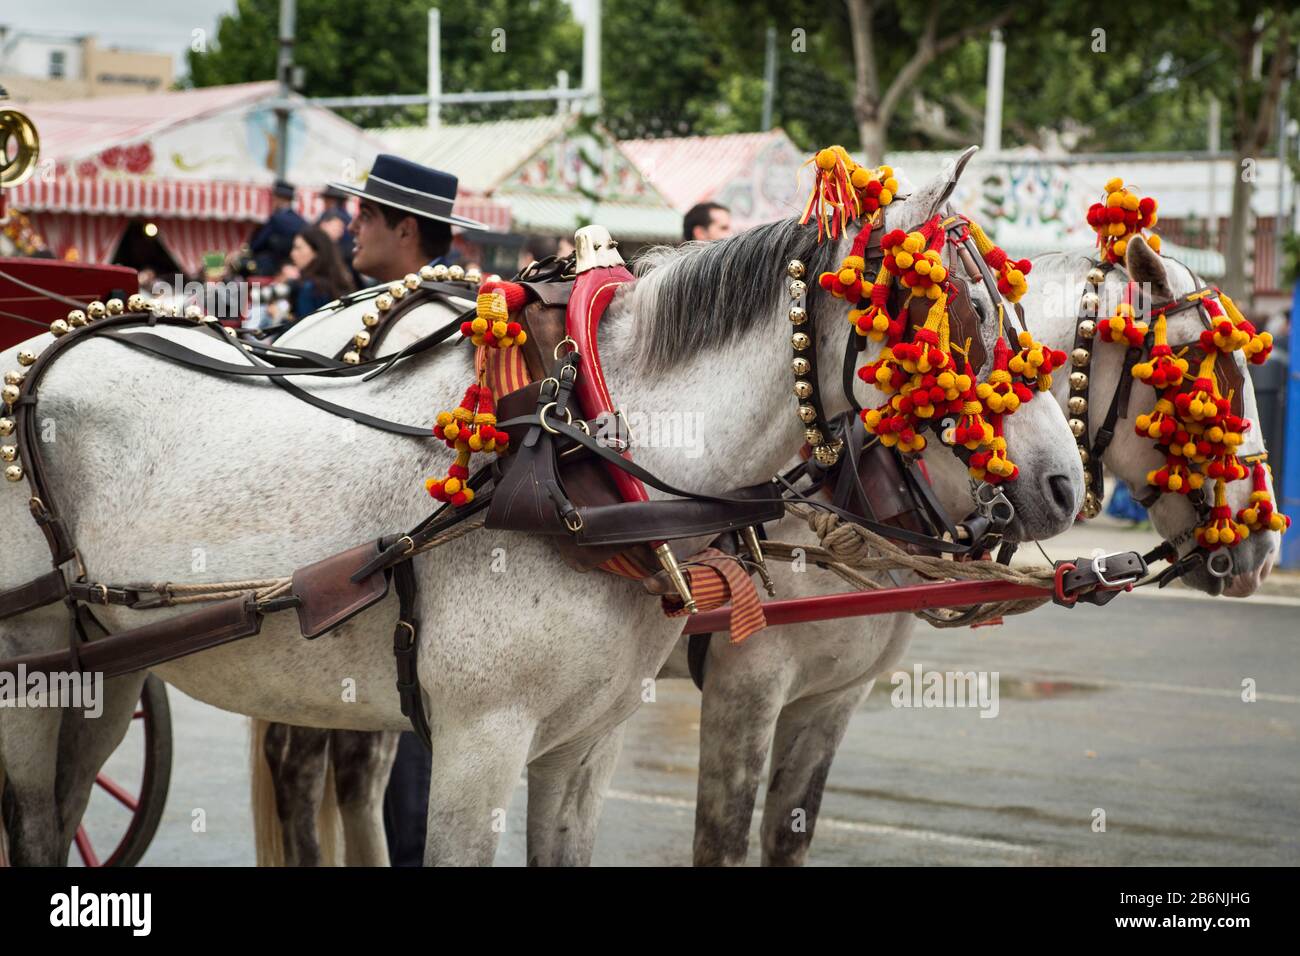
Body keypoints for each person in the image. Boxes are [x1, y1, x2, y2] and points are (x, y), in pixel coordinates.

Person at [323, 153, 485, 866]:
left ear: (406, 228)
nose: (350, 227)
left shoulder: (420, 328)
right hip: (408, 583)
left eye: (365, 215)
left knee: (412, 790)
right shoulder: (458, 317)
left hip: (408, 584)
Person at [284, 225, 354, 319]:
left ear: (316, 252)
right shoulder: (339, 280)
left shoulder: (309, 287)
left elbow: (304, 325)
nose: (292, 254)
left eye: (298, 248)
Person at [249, 179, 307, 276]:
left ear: (278, 198)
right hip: (293, 266)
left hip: (272, 267)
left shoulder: (276, 219)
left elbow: (258, 244)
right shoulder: (301, 221)